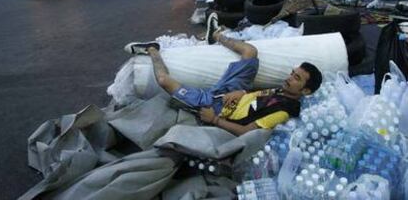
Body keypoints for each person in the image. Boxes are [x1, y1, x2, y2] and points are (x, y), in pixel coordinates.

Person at [124, 13, 322, 136]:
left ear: (305, 91)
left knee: (164, 80)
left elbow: (246, 132)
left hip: (215, 106)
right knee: (250, 52)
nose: (289, 77)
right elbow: (260, 97)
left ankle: (152, 49)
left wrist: (214, 120)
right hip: (234, 93)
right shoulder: (283, 90)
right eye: (292, 73)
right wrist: (242, 93)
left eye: (296, 78)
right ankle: (216, 35)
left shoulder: (283, 110)